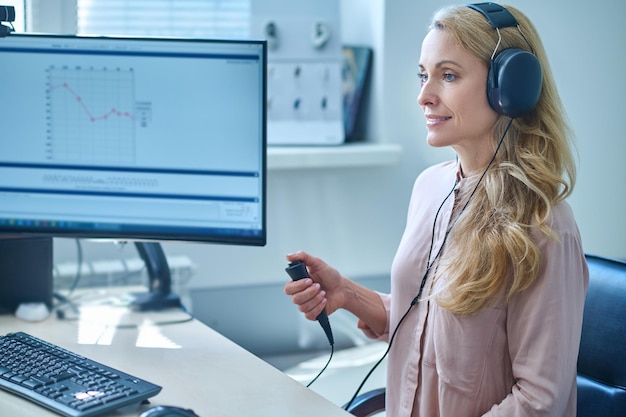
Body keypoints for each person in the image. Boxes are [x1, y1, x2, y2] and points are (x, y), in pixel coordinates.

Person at [283, 3, 589, 417]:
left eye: (448, 76)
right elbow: (429, 320)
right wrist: (347, 294)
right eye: (423, 75)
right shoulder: (431, 188)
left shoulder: (544, 225)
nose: (424, 96)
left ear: (509, 88)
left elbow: (539, 401)